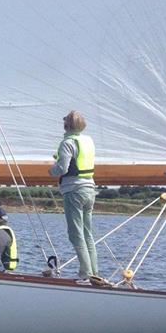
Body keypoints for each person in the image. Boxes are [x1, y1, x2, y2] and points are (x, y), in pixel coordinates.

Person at [49, 110, 98, 281]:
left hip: (74, 191)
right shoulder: (88, 141)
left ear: (66, 125)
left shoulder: (67, 143)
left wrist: (51, 169)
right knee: (87, 233)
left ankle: (86, 273)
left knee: (76, 234)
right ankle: (94, 273)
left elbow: (62, 169)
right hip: (90, 190)